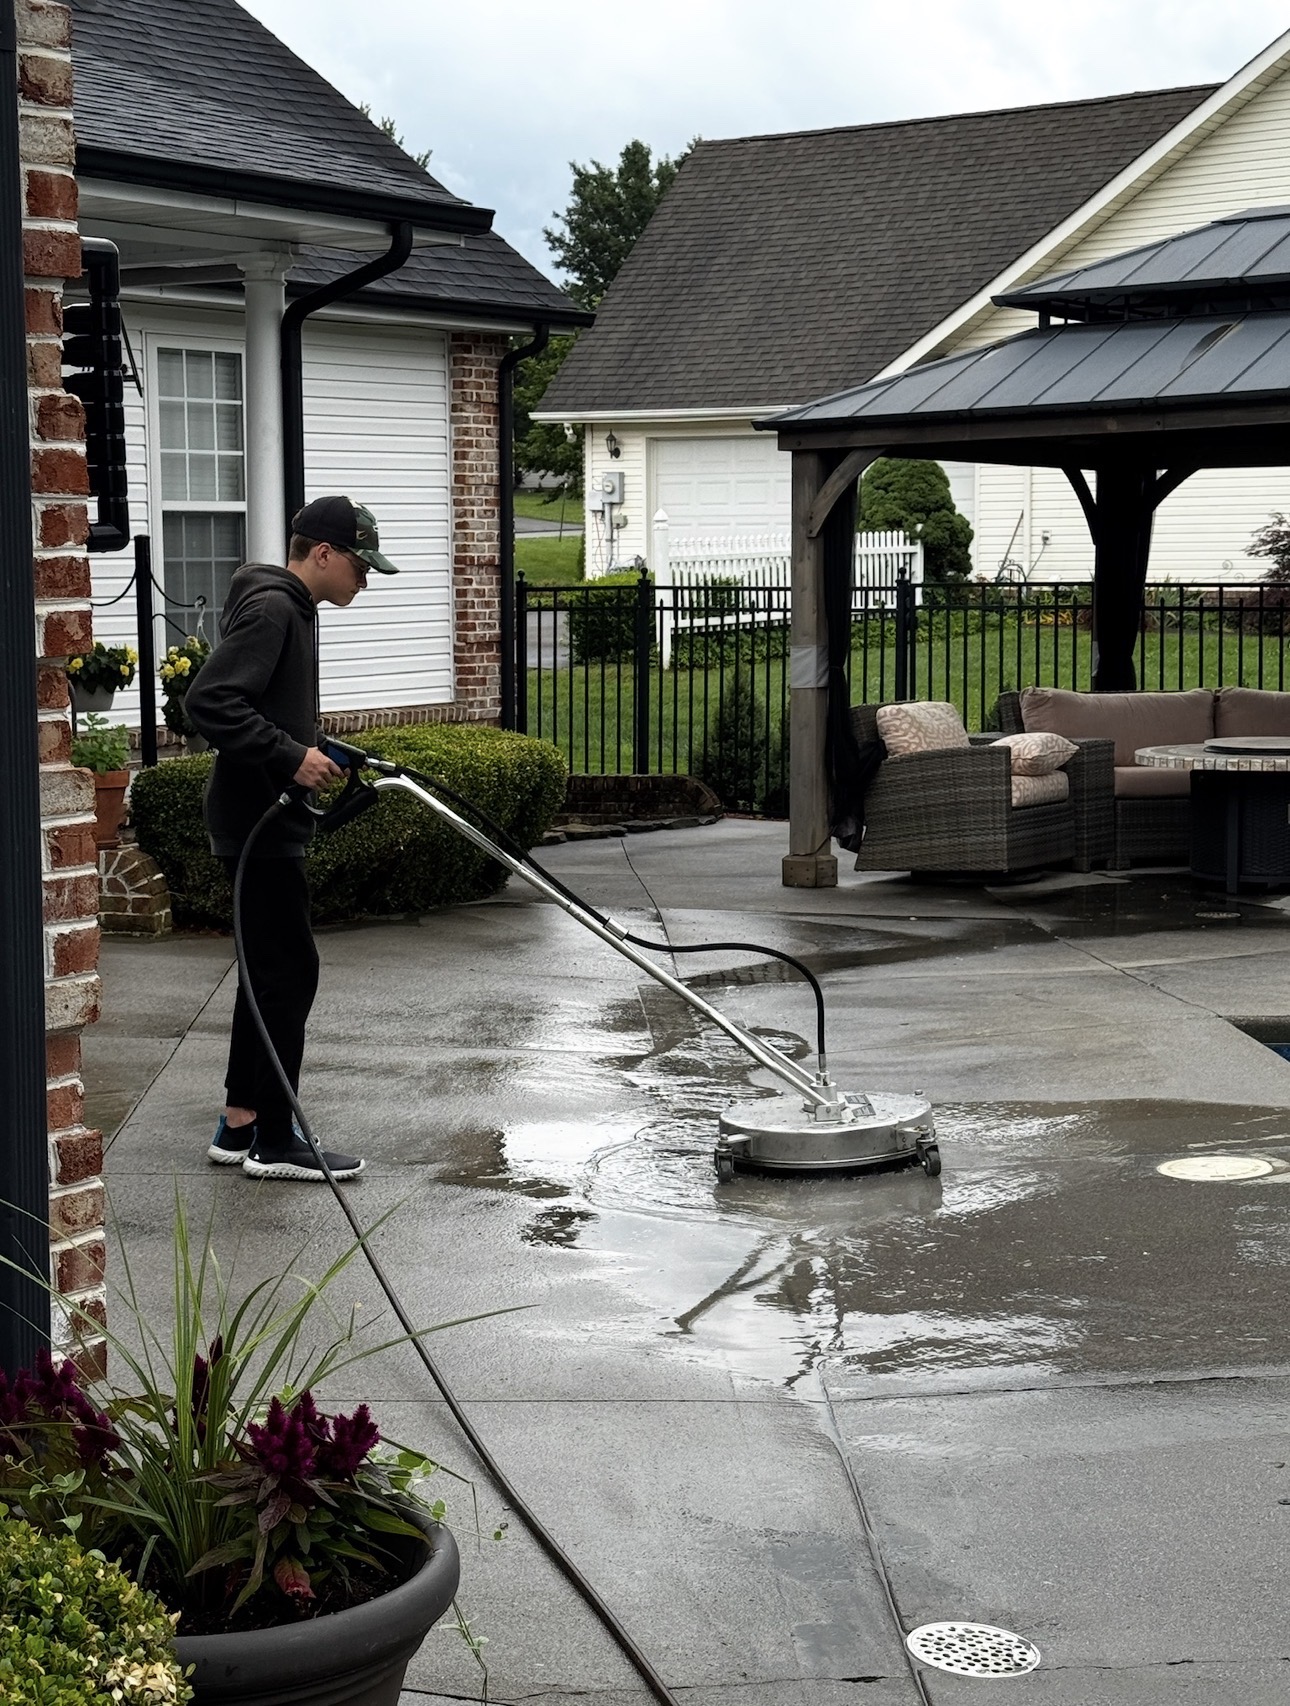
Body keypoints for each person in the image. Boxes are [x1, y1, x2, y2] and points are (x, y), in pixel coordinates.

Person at [184, 495, 400, 1181]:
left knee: (267, 974)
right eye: (361, 566)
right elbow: (210, 700)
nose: (364, 580)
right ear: (325, 553)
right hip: (258, 822)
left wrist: (316, 748)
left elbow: (263, 706)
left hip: (263, 817)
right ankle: (276, 1140)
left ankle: (240, 1122)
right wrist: (288, 756)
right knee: (289, 972)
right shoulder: (276, 608)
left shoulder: (289, 608)